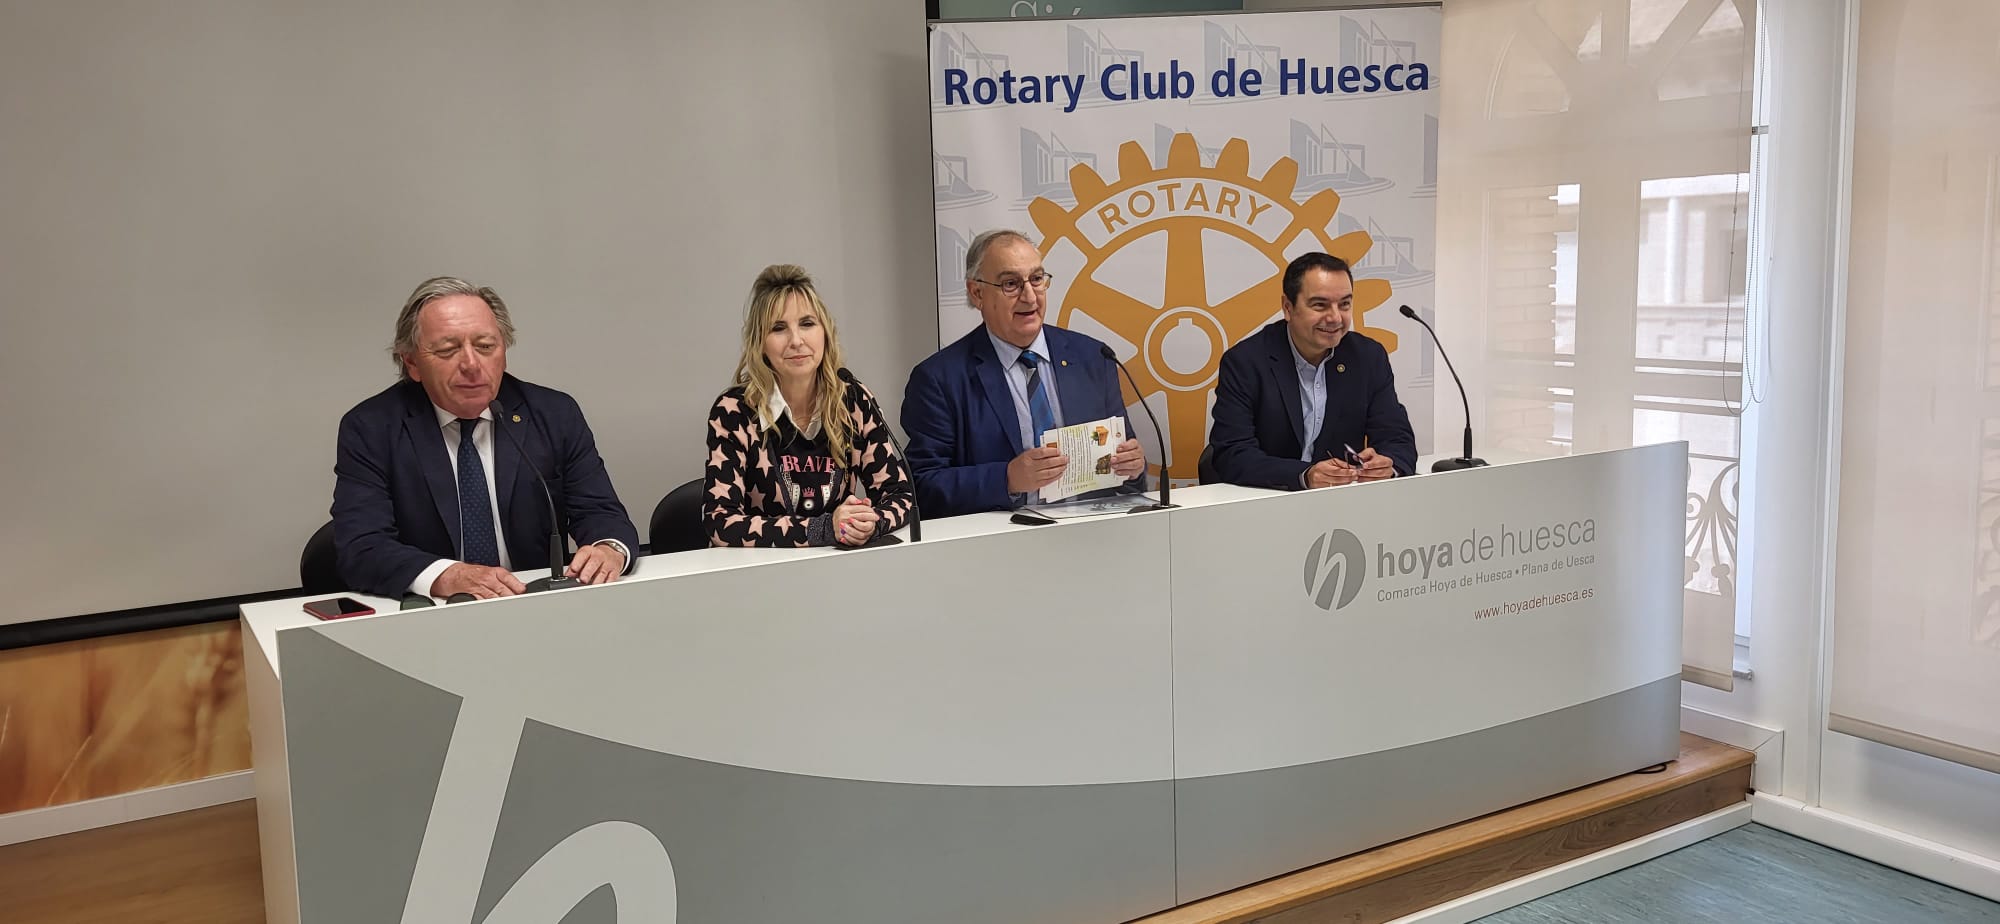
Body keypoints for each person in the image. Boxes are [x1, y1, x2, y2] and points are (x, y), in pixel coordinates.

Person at [331, 277, 638, 599]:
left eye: (485, 346)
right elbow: (362, 547)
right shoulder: (372, 427)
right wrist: (446, 575)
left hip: (536, 605)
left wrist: (609, 549)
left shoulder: (553, 413)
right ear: (412, 363)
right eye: (449, 350)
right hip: (434, 614)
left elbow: (601, 512)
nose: (472, 364)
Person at [902, 229, 1146, 517]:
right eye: (1010, 284)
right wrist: (1006, 479)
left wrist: (1132, 468)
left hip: (1088, 539)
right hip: (997, 547)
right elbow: (921, 486)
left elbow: (1130, 480)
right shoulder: (939, 379)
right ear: (977, 293)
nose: (1029, 296)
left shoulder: (1094, 358)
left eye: (1037, 279)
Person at [704, 264, 915, 547]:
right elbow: (720, 522)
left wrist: (866, 523)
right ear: (759, 343)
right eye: (778, 328)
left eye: (807, 323)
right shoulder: (734, 411)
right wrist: (824, 529)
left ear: (825, 332)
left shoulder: (854, 400)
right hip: (760, 575)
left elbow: (900, 494)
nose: (796, 340)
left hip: (839, 568)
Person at [1207, 252, 1417, 490]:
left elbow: (1398, 441)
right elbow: (1232, 454)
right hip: (1267, 502)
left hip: (1343, 505)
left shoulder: (1368, 357)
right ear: (1288, 307)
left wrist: (1388, 466)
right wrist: (1304, 475)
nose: (1335, 317)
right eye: (1320, 305)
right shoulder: (1245, 362)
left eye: (1344, 304)